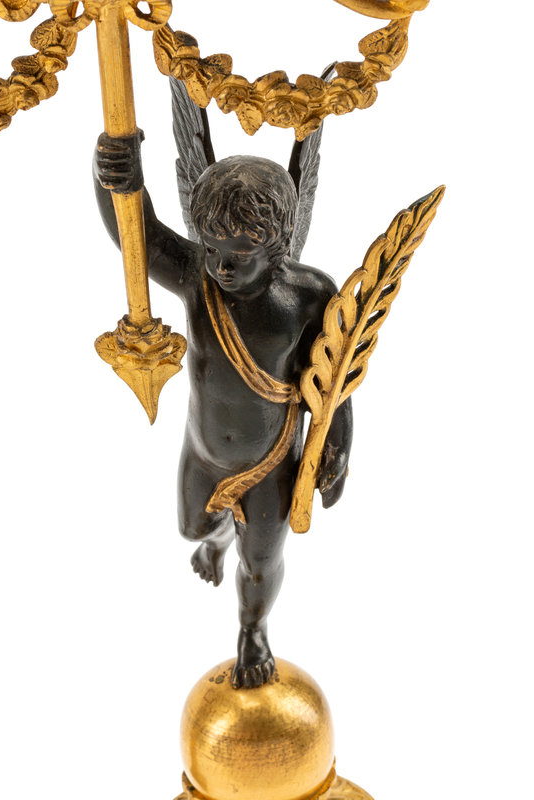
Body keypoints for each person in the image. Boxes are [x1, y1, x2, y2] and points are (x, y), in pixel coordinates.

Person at [94, 135, 353, 689]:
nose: (222, 267)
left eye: (239, 256)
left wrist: (337, 447)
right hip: (205, 453)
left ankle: (253, 631)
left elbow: (336, 382)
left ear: (276, 247)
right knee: (191, 529)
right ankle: (217, 540)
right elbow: (136, 235)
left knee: (260, 563)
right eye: (211, 249)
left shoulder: (308, 299)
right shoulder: (197, 277)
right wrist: (114, 175)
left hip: (271, 463)